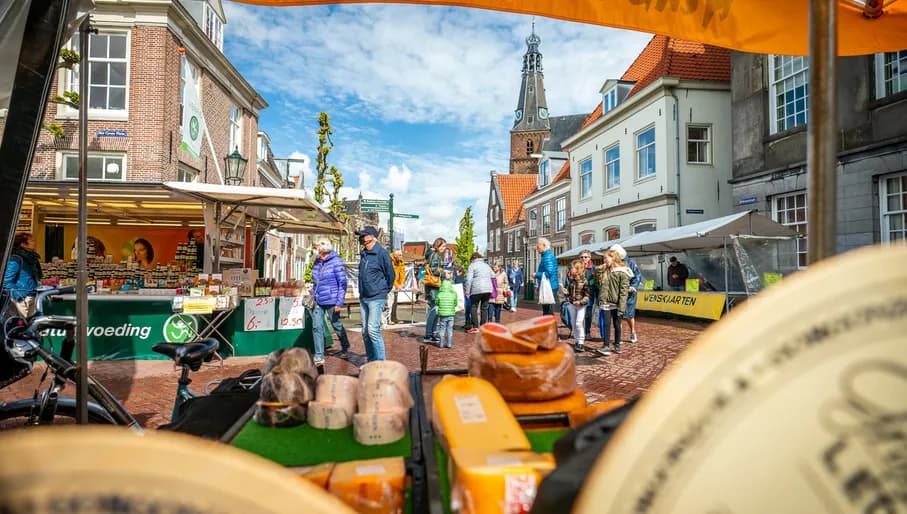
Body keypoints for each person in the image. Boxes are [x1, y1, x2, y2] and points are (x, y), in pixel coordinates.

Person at [356, 226, 394, 363]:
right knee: (365, 332)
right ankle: (372, 361)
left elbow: (391, 275)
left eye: (363, 236)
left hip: (376, 296)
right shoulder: (364, 253)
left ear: (371, 237)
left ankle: (381, 363)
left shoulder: (382, 254)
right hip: (364, 297)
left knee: (373, 330)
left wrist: (383, 291)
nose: (360, 238)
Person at [310, 239, 351, 364]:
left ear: (323, 248)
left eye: (316, 247)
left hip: (332, 299)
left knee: (336, 325)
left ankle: (345, 346)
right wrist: (312, 291)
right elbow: (316, 281)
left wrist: (339, 302)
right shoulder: (317, 262)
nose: (315, 249)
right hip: (318, 299)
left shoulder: (336, 262)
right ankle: (319, 355)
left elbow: (342, 283)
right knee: (316, 326)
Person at [595, 248, 632, 355]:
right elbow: (597, 281)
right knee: (606, 324)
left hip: (616, 303)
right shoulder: (605, 270)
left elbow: (624, 291)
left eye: (606, 258)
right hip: (605, 302)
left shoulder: (622, 272)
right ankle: (606, 346)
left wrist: (622, 307)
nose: (604, 260)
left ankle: (617, 344)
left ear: (613, 258)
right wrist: (599, 270)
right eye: (604, 259)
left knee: (617, 325)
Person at [3, 233, 42, 318]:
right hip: (22, 298)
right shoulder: (16, 259)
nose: (34, 242)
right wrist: (18, 296)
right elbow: (6, 281)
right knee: (20, 326)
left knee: (31, 325)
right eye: (31, 241)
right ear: (23, 244)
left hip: (33, 296)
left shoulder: (31, 259)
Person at [609, 243, 642, 344]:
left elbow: (637, 275)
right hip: (617, 294)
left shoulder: (630, 262)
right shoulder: (613, 262)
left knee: (629, 315)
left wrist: (633, 286)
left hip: (629, 294)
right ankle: (619, 336)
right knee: (618, 316)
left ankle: (633, 332)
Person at [561, 259, 590, 352]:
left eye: (572, 268)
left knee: (578, 323)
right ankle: (577, 341)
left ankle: (581, 342)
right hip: (572, 305)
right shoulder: (571, 280)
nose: (570, 269)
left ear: (577, 269)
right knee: (573, 324)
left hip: (581, 306)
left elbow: (587, 295)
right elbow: (569, 294)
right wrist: (565, 293)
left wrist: (581, 302)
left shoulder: (585, 281)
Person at [422, 238, 446, 344]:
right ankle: (428, 334)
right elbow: (434, 270)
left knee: (435, 310)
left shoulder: (431, 254)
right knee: (434, 310)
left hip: (430, 287)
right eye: (443, 246)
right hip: (434, 287)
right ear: (438, 245)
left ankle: (431, 334)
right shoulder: (435, 255)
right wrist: (444, 273)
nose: (444, 249)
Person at [464, 252, 494, 333]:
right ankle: (483, 326)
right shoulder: (486, 265)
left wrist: (467, 292)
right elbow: (493, 275)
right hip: (488, 289)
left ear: (472, 258)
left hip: (477, 289)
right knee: (484, 308)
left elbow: (469, 280)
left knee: (473, 307)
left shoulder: (472, 265)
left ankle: (475, 327)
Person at [535, 238, 559, 316]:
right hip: (548, 285)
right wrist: (539, 286)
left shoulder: (547, 257)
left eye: (538, 245)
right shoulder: (545, 256)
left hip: (549, 287)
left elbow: (549, 273)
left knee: (548, 312)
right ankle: (548, 327)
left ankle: (550, 328)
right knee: (547, 311)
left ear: (544, 245)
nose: (537, 247)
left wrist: (536, 274)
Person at [579, 250, 599, 341]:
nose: (584, 259)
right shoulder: (577, 267)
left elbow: (596, 283)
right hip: (578, 295)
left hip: (589, 295)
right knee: (578, 315)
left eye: (586, 257)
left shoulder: (594, 269)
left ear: (589, 258)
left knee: (587, 314)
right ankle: (579, 332)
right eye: (582, 257)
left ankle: (587, 332)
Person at [435, 270, 458, 349]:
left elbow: (437, 302)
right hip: (451, 314)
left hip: (442, 314)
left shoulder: (439, 294)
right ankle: (449, 344)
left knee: (442, 329)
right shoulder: (454, 294)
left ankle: (441, 344)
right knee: (450, 330)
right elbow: (455, 303)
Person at [389, 249, 406, 324]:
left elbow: (402, 272)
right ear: (395, 255)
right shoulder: (389, 260)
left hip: (397, 285)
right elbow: (390, 274)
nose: (401, 257)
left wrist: (401, 283)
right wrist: (396, 285)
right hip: (390, 284)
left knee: (395, 302)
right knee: (390, 302)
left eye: (401, 255)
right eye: (399, 255)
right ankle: (388, 319)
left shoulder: (401, 261)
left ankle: (394, 318)